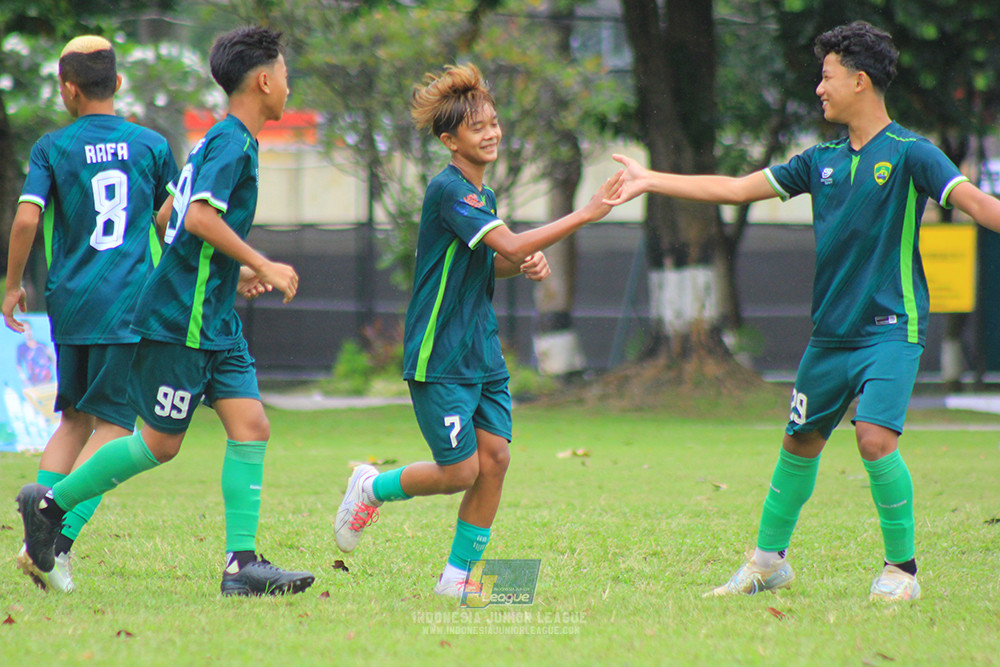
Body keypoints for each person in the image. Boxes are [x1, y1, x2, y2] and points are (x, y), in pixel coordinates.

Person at [605, 21, 1000, 602]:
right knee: (799, 445)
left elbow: (976, 203)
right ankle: (768, 564)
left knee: (874, 439)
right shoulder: (819, 161)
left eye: (827, 75)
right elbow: (736, 190)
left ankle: (901, 572)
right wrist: (650, 179)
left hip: (891, 330)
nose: (819, 88)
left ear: (859, 81)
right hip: (830, 336)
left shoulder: (914, 154)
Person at [16, 26, 314, 597]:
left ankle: (241, 565)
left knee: (251, 425)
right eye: (285, 76)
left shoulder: (219, 141)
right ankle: (51, 512)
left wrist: (236, 271)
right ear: (264, 79)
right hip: (185, 318)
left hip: (214, 316)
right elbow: (199, 218)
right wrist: (264, 263)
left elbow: (168, 219)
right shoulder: (230, 144)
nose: (287, 86)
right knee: (159, 442)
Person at [333, 63, 623, 598]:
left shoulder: (481, 197)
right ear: (450, 140)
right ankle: (371, 486)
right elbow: (508, 245)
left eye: (493, 123)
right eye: (476, 127)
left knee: (496, 460)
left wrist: (524, 262)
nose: (490, 133)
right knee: (460, 471)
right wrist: (585, 214)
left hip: (482, 351)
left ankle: (457, 579)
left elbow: (495, 260)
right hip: (440, 354)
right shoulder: (449, 190)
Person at [3, 35, 178, 593]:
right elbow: (169, 219)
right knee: (116, 429)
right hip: (128, 304)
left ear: (68, 89)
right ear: (118, 84)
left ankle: (37, 539)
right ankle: (54, 544)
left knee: (73, 422)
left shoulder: (52, 147)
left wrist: (12, 287)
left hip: (71, 303)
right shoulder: (150, 144)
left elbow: (28, 220)